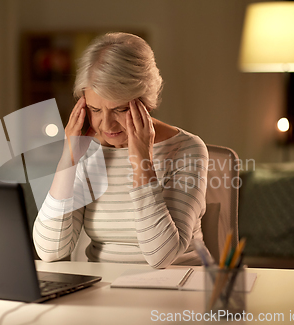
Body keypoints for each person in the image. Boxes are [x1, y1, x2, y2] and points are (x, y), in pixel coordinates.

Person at [33, 32, 209, 268]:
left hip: (177, 288)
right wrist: (69, 158)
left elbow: (162, 256)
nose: (106, 125)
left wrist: (141, 161)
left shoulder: (187, 149)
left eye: (120, 109)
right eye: (95, 110)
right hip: (103, 290)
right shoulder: (87, 150)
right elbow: (50, 250)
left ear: (145, 102)